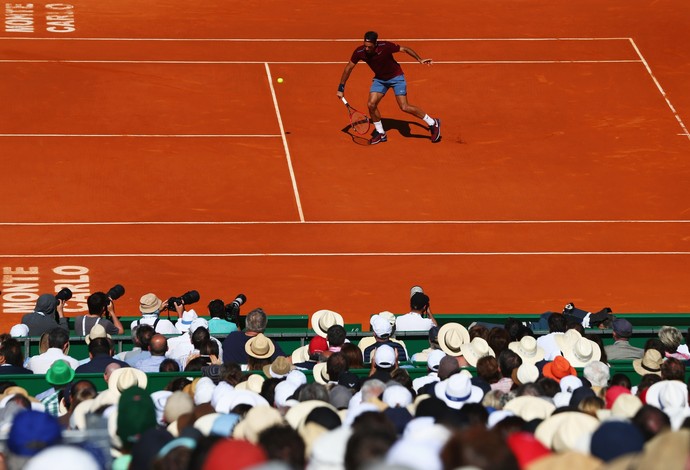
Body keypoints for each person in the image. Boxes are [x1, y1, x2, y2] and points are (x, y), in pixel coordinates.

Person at [336, 31, 441, 145]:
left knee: (404, 107)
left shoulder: (385, 46)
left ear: (375, 44)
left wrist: (419, 59)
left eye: (369, 47)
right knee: (371, 104)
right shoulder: (359, 52)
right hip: (380, 79)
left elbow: (405, 49)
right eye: (365, 46)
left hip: (396, 77)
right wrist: (341, 87)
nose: (366, 49)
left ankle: (432, 122)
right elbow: (348, 68)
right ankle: (381, 133)